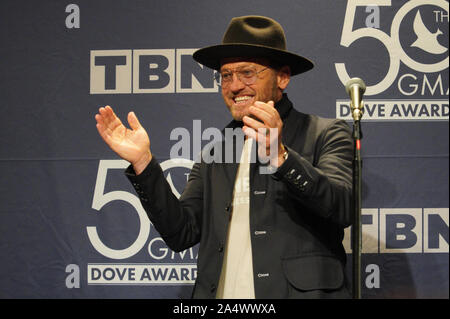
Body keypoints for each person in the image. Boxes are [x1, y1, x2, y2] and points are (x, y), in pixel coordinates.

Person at [95, 15, 353, 299]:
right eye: (226, 76)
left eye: (247, 73)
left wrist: (281, 157)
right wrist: (144, 163)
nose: (234, 86)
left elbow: (341, 207)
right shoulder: (215, 153)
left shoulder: (326, 133)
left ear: (282, 77)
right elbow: (181, 233)